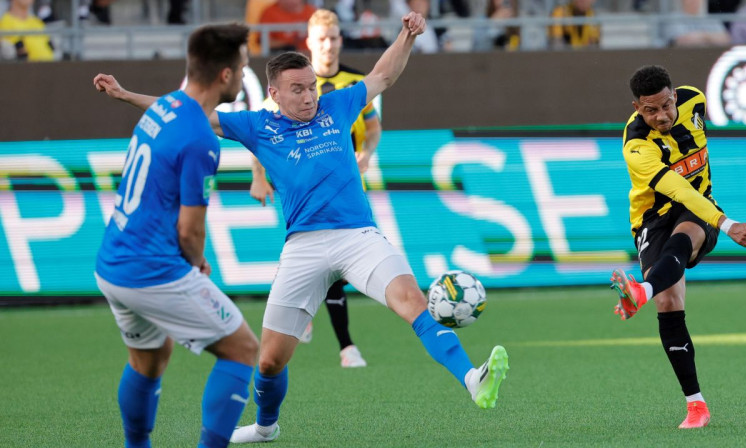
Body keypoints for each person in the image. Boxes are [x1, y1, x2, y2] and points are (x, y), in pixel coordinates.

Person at [91, 12, 509, 445]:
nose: (309, 96)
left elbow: (383, 75)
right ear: (273, 92)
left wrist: (407, 34)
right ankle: (266, 426)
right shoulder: (258, 125)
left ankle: (472, 378)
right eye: (298, 89)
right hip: (303, 247)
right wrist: (124, 95)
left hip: (358, 237)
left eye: (311, 86)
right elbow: (186, 115)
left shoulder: (337, 104)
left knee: (411, 302)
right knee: (269, 361)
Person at [92, 24, 260, 448]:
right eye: (241, 68)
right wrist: (197, 260)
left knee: (150, 360)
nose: (244, 76)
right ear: (225, 75)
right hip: (151, 270)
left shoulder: (162, 108)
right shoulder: (201, 140)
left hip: (112, 262)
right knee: (242, 349)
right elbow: (190, 229)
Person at [610, 65, 746, 429]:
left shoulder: (696, 100)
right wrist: (728, 225)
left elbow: (692, 197)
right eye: (650, 110)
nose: (660, 116)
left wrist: (719, 222)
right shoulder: (636, 144)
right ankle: (696, 406)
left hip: (699, 206)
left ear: (675, 94)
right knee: (668, 302)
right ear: (636, 107)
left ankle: (640, 291)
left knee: (687, 235)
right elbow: (677, 190)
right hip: (652, 217)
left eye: (665, 105)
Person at [251, 8, 383, 368]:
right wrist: (258, 177)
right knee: (327, 260)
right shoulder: (287, 88)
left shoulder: (353, 84)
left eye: (334, 38)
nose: (328, 45)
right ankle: (347, 347)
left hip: (347, 179)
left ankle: (312, 316)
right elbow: (260, 135)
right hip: (303, 187)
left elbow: (372, 128)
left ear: (341, 40)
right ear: (309, 43)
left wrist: (367, 154)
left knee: (337, 264)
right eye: (321, 39)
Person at [664, 0, 731, 47]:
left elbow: (726, 39)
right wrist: (710, 38)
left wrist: (704, 36)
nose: (694, 1)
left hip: (710, 59)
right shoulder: (675, 18)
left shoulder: (710, 19)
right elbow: (681, 41)